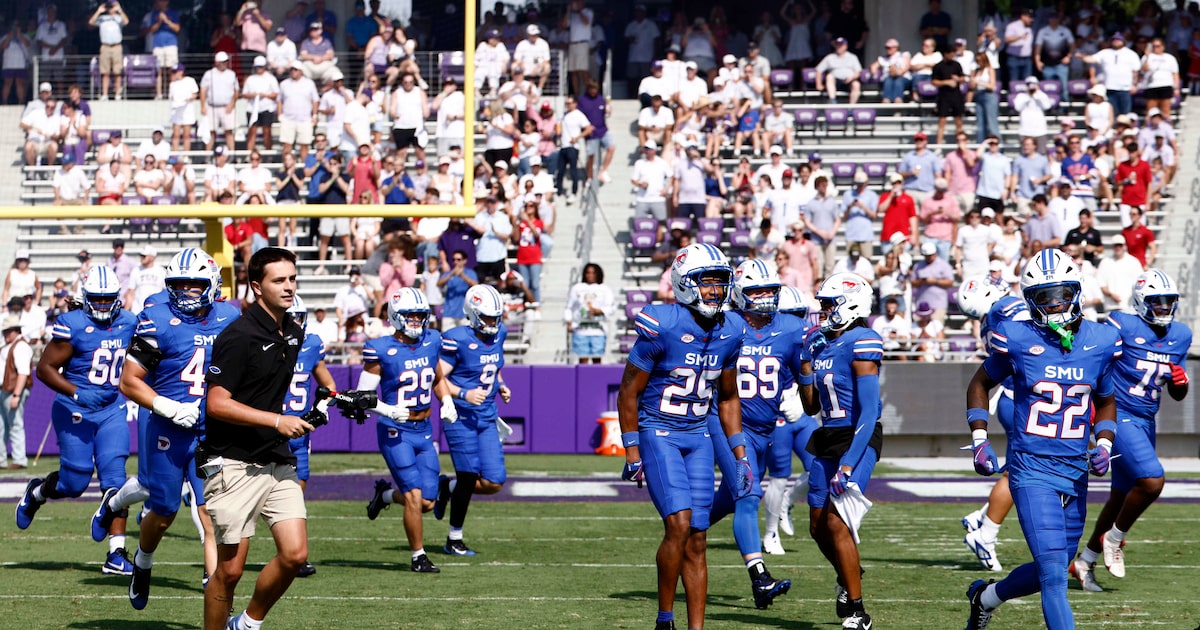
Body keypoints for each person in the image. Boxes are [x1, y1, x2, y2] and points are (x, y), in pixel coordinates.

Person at [964, 249, 1120, 630]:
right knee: (1053, 576)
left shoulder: (1100, 341)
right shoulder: (1018, 337)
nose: (1054, 305)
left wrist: (1104, 444)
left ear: (1076, 291)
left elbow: (1105, 399)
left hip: (1075, 470)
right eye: (1044, 297)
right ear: (1029, 300)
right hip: (1031, 467)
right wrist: (980, 437)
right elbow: (980, 383)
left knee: (1055, 565)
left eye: (1061, 294)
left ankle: (985, 598)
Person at [618, 243, 746, 630]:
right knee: (678, 524)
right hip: (659, 431)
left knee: (698, 537)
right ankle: (665, 618)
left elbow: (728, 396)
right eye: (706, 282)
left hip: (698, 435)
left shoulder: (731, 329)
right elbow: (628, 392)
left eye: (720, 282)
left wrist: (739, 453)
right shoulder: (664, 323)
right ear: (685, 283)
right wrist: (631, 449)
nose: (715, 290)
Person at [1072, 270, 1190, 593]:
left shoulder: (1181, 334)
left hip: (1146, 419)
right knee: (1152, 480)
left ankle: (1084, 561)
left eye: (1168, 301)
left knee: (1121, 495)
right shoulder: (1122, 324)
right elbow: (1095, 357)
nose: (1164, 308)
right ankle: (1114, 537)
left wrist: (1181, 383)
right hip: (1118, 414)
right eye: (1157, 301)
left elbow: (1176, 391)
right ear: (1140, 302)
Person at [15, 268, 134, 578]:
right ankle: (37, 492)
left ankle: (116, 553)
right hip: (74, 408)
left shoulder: (128, 322)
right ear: (86, 297)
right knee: (74, 483)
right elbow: (44, 368)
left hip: (111, 408)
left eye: (108, 299)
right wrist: (77, 392)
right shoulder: (74, 324)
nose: (104, 305)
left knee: (116, 478)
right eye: (98, 299)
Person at [792, 272, 883, 630]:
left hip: (856, 437)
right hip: (827, 435)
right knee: (817, 526)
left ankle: (859, 611)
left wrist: (847, 465)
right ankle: (849, 574)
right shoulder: (824, 344)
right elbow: (811, 406)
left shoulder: (863, 340)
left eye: (830, 305)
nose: (825, 312)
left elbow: (870, 411)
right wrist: (804, 366)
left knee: (836, 519)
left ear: (852, 304)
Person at [706, 260, 797, 607]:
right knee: (748, 494)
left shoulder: (789, 327)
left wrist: (800, 391)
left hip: (764, 428)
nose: (765, 297)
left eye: (770, 290)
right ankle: (760, 577)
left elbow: (803, 366)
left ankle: (686, 530)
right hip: (727, 423)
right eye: (757, 291)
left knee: (728, 500)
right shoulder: (723, 324)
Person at [362, 289, 445, 573]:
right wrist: (387, 410)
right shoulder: (380, 348)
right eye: (411, 315)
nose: (417, 321)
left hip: (424, 429)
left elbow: (438, 378)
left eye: (420, 315)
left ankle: (384, 495)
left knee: (427, 502)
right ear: (396, 316)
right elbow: (362, 396)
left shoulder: (432, 340)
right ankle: (418, 556)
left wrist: (447, 401)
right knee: (413, 495)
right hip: (395, 430)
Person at [431, 284, 512, 557]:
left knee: (494, 481)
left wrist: (501, 385)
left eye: (496, 317)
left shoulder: (500, 333)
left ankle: (447, 486)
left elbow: (493, 368)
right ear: (473, 314)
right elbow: (437, 378)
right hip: (460, 416)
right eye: (487, 317)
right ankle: (454, 539)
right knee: (467, 475)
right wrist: (463, 393)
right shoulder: (457, 339)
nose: (493, 323)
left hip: (486, 416)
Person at [956, 275, 1030, 573]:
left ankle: (984, 518)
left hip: (1013, 399)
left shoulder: (989, 322)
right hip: (1022, 400)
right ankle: (986, 533)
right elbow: (1037, 332)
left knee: (1021, 471)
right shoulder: (1006, 308)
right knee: (1019, 474)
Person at [563, 263, 613, 364]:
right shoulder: (577, 288)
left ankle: (597, 375)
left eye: (593, 273)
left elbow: (611, 307)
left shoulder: (605, 289)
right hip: (581, 330)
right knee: (583, 359)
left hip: (598, 330)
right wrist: (569, 322)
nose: (590, 275)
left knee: (597, 359)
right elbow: (569, 307)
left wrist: (600, 311)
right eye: (588, 273)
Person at [0, 314, 32, 471]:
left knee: (15, 424)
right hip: (5, 390)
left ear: (15, 330)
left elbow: (23, 373)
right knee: (2, 426)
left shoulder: (21, 346)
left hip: (12, 390)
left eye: (7, 331)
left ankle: (19, 459)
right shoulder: (8, 346)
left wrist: (16, 395)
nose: (5, 334)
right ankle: (1, 459)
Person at [90, 1, 129, 100]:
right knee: (105, 72)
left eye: (112, 6)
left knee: (117, 71)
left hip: (117, 46)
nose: (111, 8)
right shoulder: (102, 18)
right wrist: (99, 11)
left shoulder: (119, 18)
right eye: (109, 7)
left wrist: (119, 10)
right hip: (105, 46)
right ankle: (105, 94)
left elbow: (126, 22)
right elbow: (91, 22)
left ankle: (117, 95)